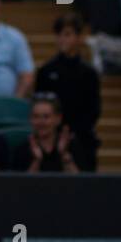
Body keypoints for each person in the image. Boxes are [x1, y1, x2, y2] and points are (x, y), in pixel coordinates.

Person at [34, 13, 100, 172]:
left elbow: (94, 109)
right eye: (59, 35)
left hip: (81, 138)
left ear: (79, 37)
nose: (62, 39)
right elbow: (39, 104)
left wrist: (74, 133)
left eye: (68, 34)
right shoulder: (46, 71)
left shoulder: (89, 73)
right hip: (50, 139)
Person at [14, 94, 84, 173]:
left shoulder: (71, 145)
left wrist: (64, 156)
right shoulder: (22, 148)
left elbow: (80, 183)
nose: (41, 122)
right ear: (30, 119)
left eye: (46, 116)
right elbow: (21, 184)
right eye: (36, 116)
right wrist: (37, 161)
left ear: (58, 118)